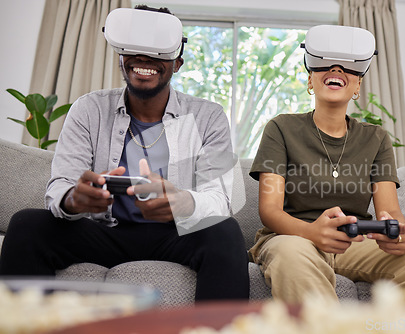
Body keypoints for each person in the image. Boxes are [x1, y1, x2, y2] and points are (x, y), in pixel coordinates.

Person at [0, 5, 250, 301]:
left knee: (225, 232)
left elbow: (220, 201)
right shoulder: (89, 109)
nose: (144, 58)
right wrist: (74, 199)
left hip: (175, 235)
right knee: (27, 224)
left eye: (158, 51)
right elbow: (60, 187)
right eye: (134, 48)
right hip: (104, 231)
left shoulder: (208, 116)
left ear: (178, 62)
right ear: (121, 55)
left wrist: (181, 202)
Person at [248, 25, 405, 310]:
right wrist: (313, 233)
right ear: (310, 80)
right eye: (325, 65)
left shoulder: (376, 138)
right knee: (292, 254)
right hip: (292, 238)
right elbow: (269, 211)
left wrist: (397, 233)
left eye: (349, 68)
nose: (336, 69)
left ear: (357, 86)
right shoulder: (281, 128)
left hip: (354, 243)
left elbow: (389, 211)